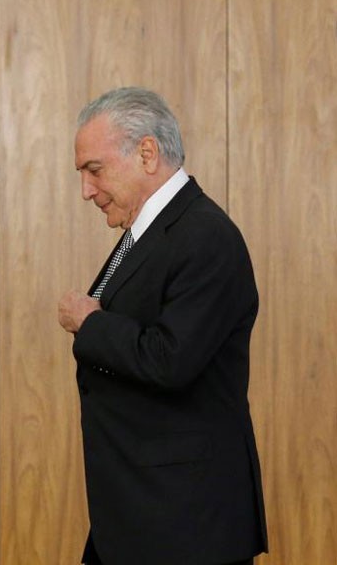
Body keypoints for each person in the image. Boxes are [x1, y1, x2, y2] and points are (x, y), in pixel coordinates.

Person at [57, 87, 268, 565]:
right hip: (143, 517)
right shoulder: (151, 231)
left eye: (94, 170)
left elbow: (171, 359)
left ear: (146, 153)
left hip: (185, 527)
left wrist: (90, 325)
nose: (87, 190)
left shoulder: (205, 235)